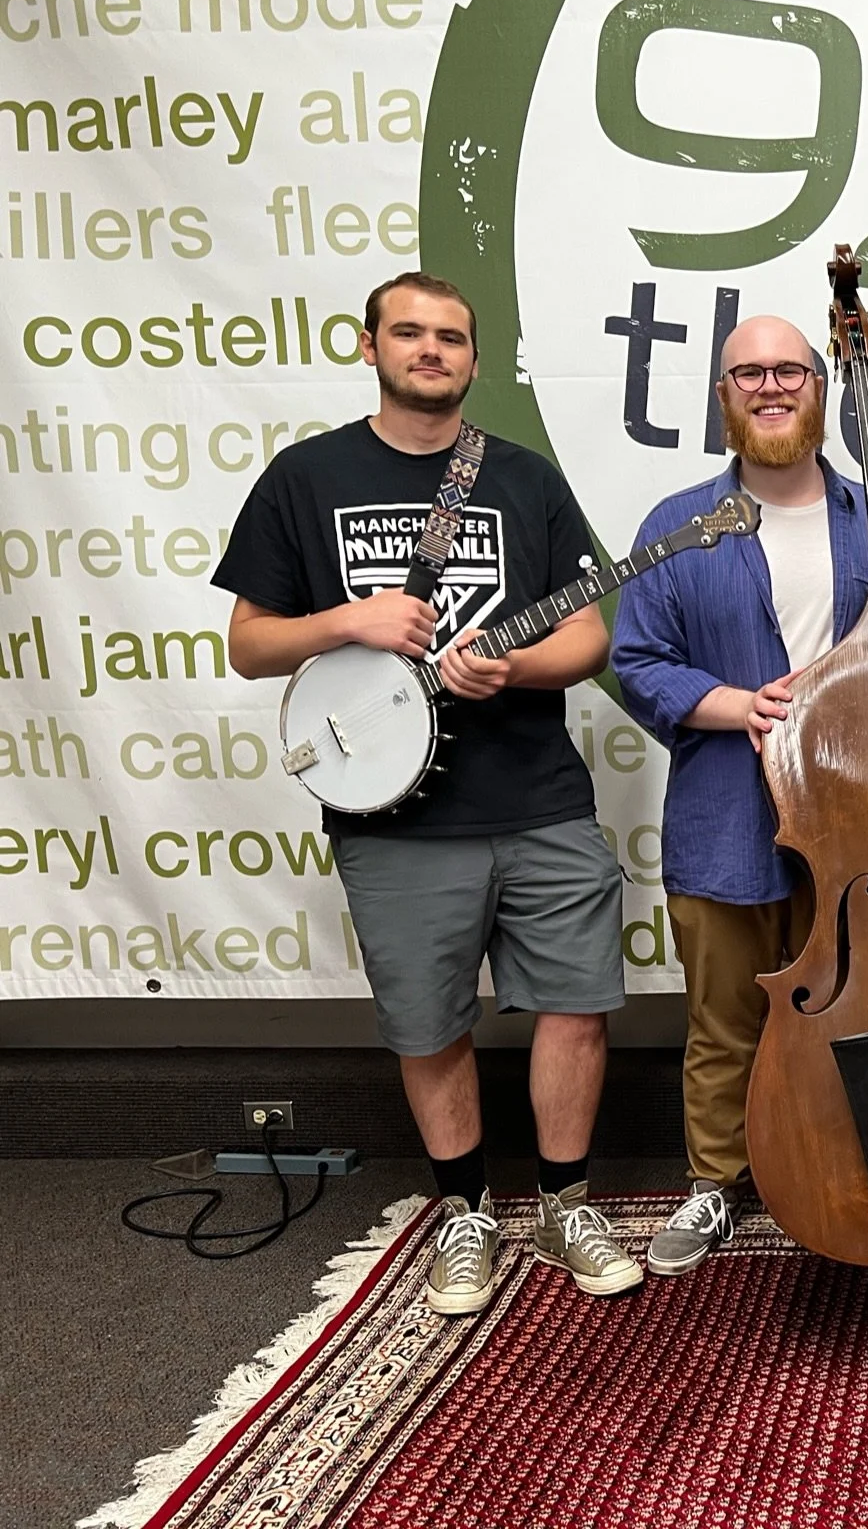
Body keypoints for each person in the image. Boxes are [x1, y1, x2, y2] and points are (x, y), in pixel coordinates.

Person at [214, 271, 640, 1315]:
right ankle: (464, 1212)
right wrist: (344, 623)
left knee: (577, 1006)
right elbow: (248, 644)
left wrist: (519, 668)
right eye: (409, 332)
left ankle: (565, 1203)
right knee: (427, 1022)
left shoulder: (526, 481)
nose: (431, 349)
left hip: (540, 795)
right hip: (394, 816)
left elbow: (587, 631)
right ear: (370, 347)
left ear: (475, 360)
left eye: (451, 336)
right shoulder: (304, 479)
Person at [613, 313, 868, 1274]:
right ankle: (713, 1188)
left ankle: (859, 1176)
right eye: (748, 375)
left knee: (860, 1010)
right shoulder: (674, 528)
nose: (770, 387)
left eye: (788, 371)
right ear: (723, 397)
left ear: (819, 388)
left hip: (862, 824)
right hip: (726, 813)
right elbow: (636, 658)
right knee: (726, 1016)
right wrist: (734, 703)